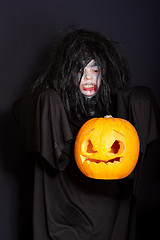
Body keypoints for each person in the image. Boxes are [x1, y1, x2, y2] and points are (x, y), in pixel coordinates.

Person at [13, 29, 160, 240]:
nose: (88, 78)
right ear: (66, 74)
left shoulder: (117, 111)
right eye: (79, 70)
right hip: (63, 209)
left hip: (110, 208)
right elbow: (23, 110)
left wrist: (139, 100)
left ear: (104, 73)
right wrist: (46, 102)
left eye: (95, 70)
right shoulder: (53, 109)